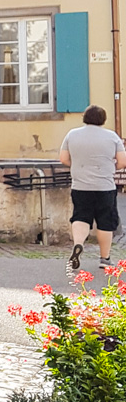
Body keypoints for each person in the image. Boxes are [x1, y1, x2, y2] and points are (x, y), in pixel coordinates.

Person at [60, 104, 126, 275]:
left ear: (85, 117)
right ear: (103, 119)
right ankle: (105, 259)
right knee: (105, 221)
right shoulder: (112, 136)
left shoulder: (72, 134)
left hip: (80, 185)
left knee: (81, 216)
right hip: (105, 186)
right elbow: (122, 161)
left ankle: (78, 244)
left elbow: (64, 159)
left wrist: (79, 166)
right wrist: (111, 168)